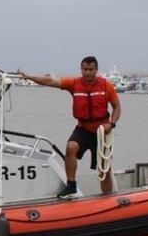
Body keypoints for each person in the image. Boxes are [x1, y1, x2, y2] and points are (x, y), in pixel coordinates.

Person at [18, 56, 121, 198]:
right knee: (71, 147)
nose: (88, 73)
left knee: (104, 169)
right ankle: (71, 185)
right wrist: (29, 76)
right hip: (83, 128)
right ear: (81, 69)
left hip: (102, 131)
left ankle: (108, 197)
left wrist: (112, 124)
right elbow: (50, 81)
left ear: (96, 70)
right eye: (85, 69)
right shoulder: (73, 83)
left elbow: (117, 107)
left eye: (91, 70)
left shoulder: (106, 85)